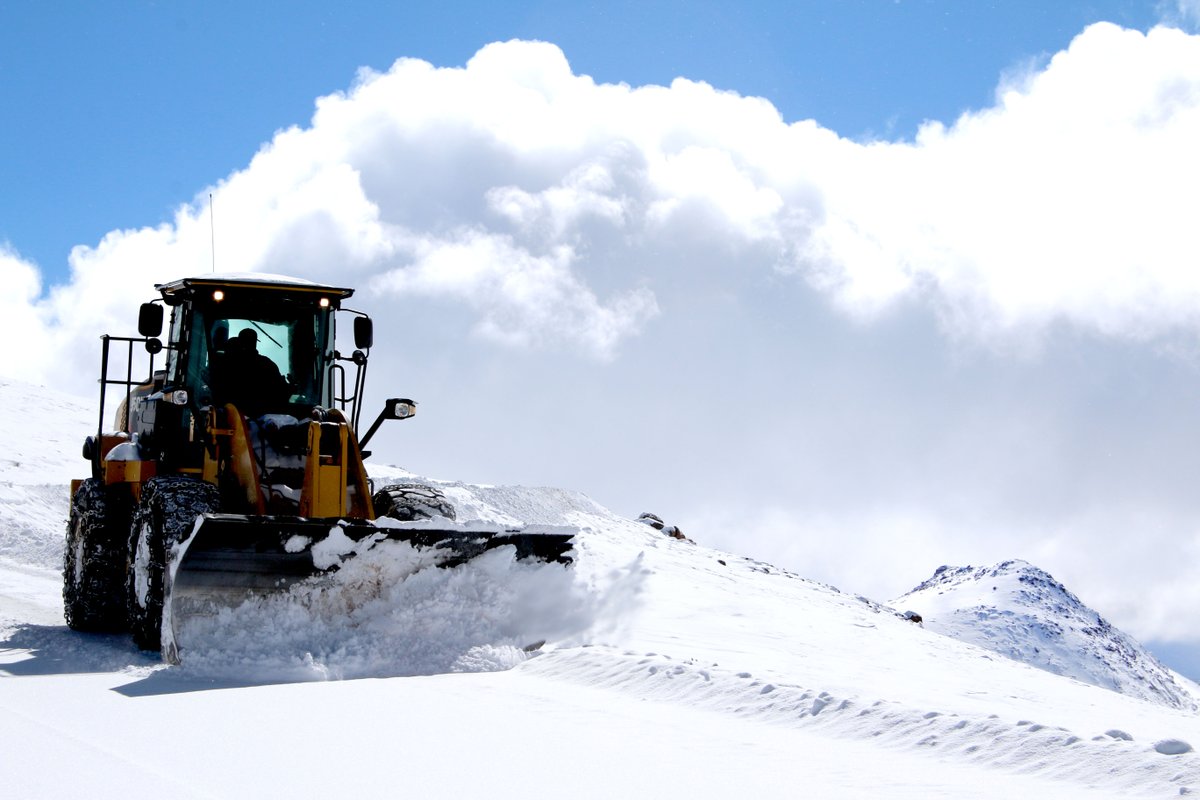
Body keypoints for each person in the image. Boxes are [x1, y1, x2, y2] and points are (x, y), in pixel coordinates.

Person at [218, 327, 289, 417]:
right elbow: (281, 392)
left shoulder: (229, 363)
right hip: (259, 416)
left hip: (235, 415)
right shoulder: (267, 363)